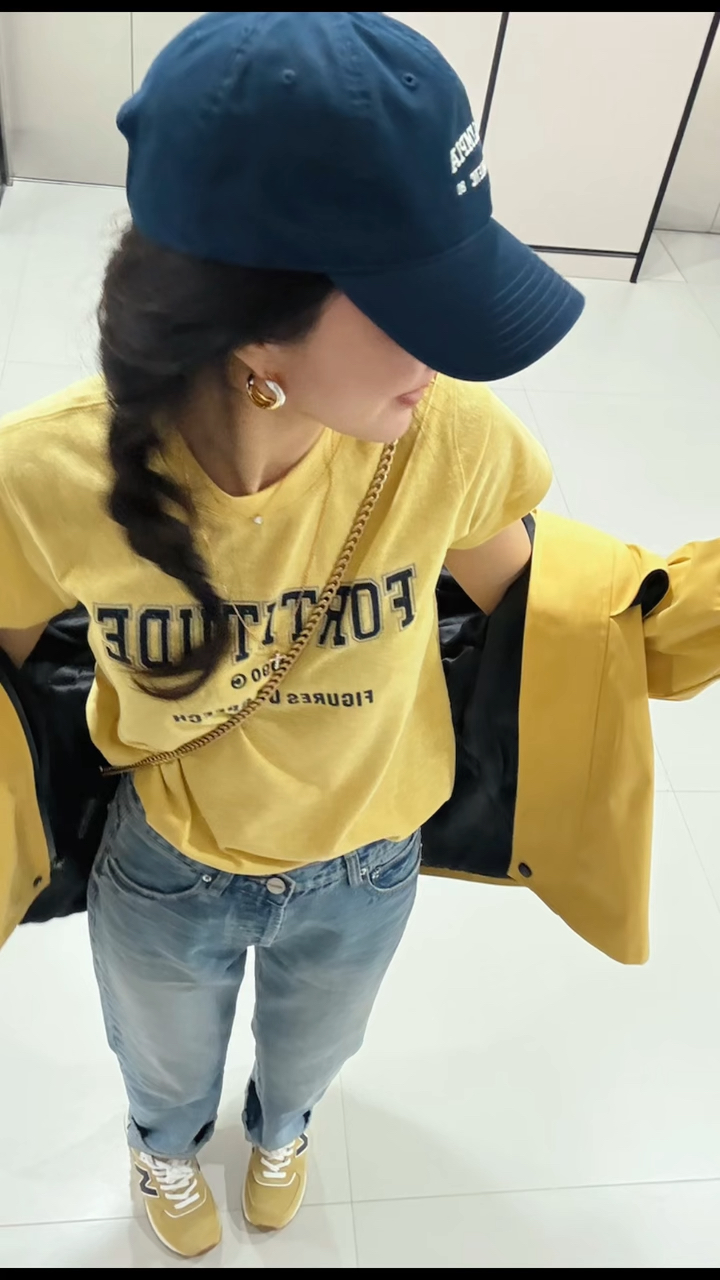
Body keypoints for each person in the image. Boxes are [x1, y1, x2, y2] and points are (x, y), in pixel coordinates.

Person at [0, 12, 584, 1260]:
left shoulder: (448, 435)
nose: (449, 351)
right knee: (161, 1062)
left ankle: (285, 1125)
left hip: (369, 860)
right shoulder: (44, 476)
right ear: (253, 323)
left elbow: (558, 611)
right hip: (169, 863)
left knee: (317, 1044)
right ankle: (165, 1147)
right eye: (418, 302)